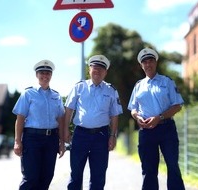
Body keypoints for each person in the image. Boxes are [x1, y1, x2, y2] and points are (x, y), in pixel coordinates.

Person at [128, 48, 186, 190]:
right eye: (145, 62)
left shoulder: (167, 82)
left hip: (166, 129)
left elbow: (177, 106)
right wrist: (137, 117)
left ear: (156, 63)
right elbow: (133, 108)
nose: (148, 64)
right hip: (146, 131)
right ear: (142, 66)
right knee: (148, 170)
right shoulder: (138, 86)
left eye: (151, 61)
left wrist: (159, 117)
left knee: (172, 166)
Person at [64, 54, 123, 190]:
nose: (97, 71)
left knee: (98, 176)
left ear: (105, 72)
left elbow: (114, 115)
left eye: (101, 69)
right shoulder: (79, 87)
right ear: (89, 70)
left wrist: (113, 136)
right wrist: (66, 130)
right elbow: (68, 110)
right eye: (94, 68)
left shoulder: (111, 90)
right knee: (76, 174)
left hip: (101, 136)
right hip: (80, 135)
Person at [12, 60, 65, 190]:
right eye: (42, 73)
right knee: (30, 178)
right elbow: (20, 118)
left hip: (51, 140)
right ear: (37, 75)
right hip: (32, 139)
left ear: (51, 75)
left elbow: (61, 120)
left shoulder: (56, 96)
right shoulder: (28, 94)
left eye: (48, 73)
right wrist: (17, 141)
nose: (45, 76)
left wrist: (62, 142)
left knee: (46, 177)